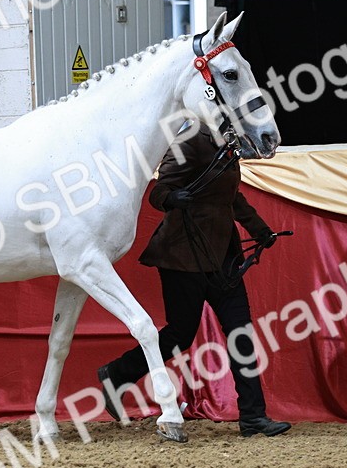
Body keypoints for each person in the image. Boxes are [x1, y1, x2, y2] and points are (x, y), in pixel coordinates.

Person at [96, 122, 292, 438]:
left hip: (223, 259)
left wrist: (260, 230)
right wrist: (174, 199)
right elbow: (159, 192)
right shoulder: (188, 140)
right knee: (180, 335)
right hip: (182, 257)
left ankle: (254, 417)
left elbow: (232, 198)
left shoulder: (228, 141)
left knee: (241, 333)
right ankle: (118, 373)